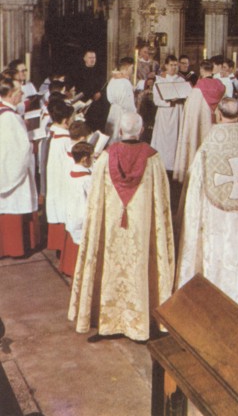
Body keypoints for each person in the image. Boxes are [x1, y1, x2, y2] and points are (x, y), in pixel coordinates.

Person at [68, 112, 175, 341]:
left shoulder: (105, 158)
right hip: (141, 231)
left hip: (112, 230)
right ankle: (141, 323)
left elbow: (95, 202)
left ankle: (108, 322)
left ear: (119, 132)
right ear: (142, 131)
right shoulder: (153, 159)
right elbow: (162, 206)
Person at [175, 98, 238, 308]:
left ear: (218, 114)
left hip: (215, 215)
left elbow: (195, 181)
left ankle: (215, 295)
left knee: (218, 250)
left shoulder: (210, 142)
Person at [0, 77, 39, 258]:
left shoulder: (6, 114)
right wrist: (32, 143)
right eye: (18, 92)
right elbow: (19, 150)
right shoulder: (9, 118)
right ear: (9, 95)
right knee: (12, 208)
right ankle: (14, 249)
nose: (22, 94)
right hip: (12, 171)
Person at [173, 60, 225, 183]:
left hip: (201, 126)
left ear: (201, 70)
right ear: (212, 70)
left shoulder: (198, 88)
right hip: (215, 124)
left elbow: (191, 111)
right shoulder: (221, 86)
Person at [59, 141, 94, 278]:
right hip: (82, 218)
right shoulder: (87, 179)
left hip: (71, 216)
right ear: (85, 159)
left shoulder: (71, 172)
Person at [46, 100, 75, 251]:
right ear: (66, 121)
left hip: (55, 180)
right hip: (62, 182)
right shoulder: (65, 139)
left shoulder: (55, 134)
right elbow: (71, 163)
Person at [151, 55, 184, 171]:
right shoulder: (160, 81)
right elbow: (156, 100)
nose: (174, 68)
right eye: (171, 65)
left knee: (175, 139)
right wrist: (169, 102)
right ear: (166, 66)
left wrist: (181, 99)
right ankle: (162, 165)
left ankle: (174, 165)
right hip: (164, 114)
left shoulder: (181, 80)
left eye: (176, 65)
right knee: (163, 140)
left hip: (177, 113)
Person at [72, 50, 107, 132]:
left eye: (94, 58)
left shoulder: (100, 70)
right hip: (84, 102)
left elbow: (104, 85)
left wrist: (100, 93)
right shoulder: (78, 71)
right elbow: (77, 87)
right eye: (90, 57)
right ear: (84, 58)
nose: (92, 60)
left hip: (98, 102)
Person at [105, 57, 136, 144]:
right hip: (123, 114)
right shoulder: (125, 83)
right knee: (120, 138)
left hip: (113, 111)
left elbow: (109, 97)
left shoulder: (113, 79)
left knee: (112, 137)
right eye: (132, 68)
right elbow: (128, 105)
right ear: (128, 67)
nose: (132, 71)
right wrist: (134, 114)